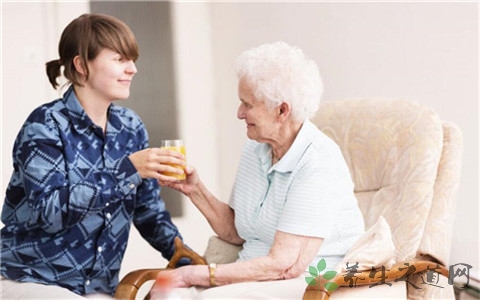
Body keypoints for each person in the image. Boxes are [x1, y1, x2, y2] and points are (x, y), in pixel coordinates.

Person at [0, 13, 188, 297]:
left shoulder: (131, 127)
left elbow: (147, 210)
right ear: (81, 64)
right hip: (30, 279)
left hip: (96, 290)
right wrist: (126, 171)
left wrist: (188, 261)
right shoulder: (45, 125)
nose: (133, 69)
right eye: (120, 59)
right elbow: (48, 212)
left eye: (132, 59)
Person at [157, 41, 365, 293]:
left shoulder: (318, 162)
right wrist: (195, 190)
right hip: (250, 279)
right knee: (165, 293)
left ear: (282, 110)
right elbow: (237, 231)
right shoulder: (256, 148)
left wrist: (199, 274)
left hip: (306, 286)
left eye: (247, 104)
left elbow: (283, 266)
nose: (239, 113)